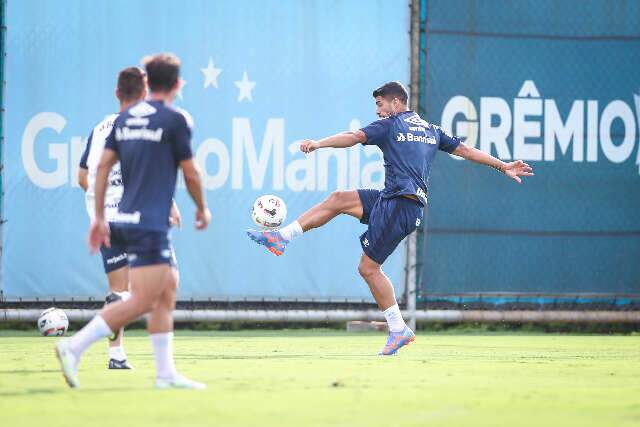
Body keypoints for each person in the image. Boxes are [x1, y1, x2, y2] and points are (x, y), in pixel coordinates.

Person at [247, 81, 534, 355]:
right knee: (338, 199)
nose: (377, 110)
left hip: (399, 205)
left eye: (380, 104)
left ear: (397, 102)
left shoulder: (391, 124)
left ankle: (398, 329)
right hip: (394, 199)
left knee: (368, 269)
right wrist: (502, 165)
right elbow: (466, 150)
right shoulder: (431, 130)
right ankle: (281, 238)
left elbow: (354, 137)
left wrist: (318, 144)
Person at [56, 53, 211, 389]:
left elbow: (99, 171)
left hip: (124, 218)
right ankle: (73, 347)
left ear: (147, 84)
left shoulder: (122, 120)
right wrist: (202, 208)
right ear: (177, 85)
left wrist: (98, 217)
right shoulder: (175, 119)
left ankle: (165, 373)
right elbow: (191, 172)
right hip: (149, 222)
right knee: (140, 298)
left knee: (168, 285)